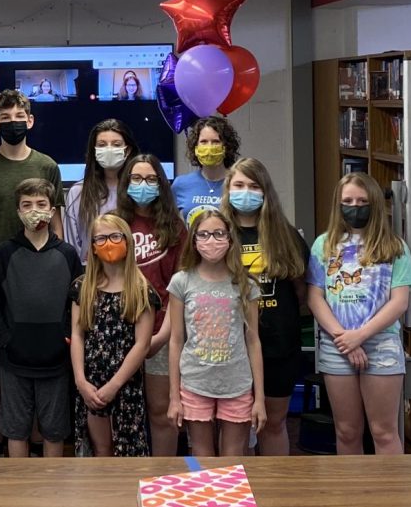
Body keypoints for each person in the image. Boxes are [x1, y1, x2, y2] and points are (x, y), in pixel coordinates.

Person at [0, 88, 64, 457]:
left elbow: (56, 225)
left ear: (31, 121)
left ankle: (37, 441)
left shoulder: (47, 166)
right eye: (5, 119)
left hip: (41, 283)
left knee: (41, 365)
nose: (13, 124)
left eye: (19, 118)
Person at [306, 172, 411, 455]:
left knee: (383, 431)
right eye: (348, 201)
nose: (355, 207)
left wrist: (360, 336)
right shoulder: (324, 245)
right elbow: (315, 297)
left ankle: (391, 498)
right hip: (337, 345)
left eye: (362, 201)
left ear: (375, 203)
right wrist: (344, 338)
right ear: (338, 204)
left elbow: (399, 302)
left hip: (381, 346)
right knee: (346, 430)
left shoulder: (394, 247)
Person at [0, 178, 83, 458]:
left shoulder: (67, 254)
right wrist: (5, 339)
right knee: (16, 429)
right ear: (17, 212)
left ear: (52, 211)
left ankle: (51, 492)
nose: (34, 210)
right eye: (26, 205)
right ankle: (18, 493)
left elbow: (77, 302)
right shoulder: (5, 253)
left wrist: (65, 337)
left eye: (41, 204)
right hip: (14, 359)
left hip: (55, 359)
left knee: (54, 429)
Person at [220, 158, 309, 456]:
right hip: (229, 345)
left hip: (279, 345)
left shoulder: (286, 235)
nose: (246, 192)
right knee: (234, 426)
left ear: (265, 191)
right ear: (228, 189)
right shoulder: (216, 233)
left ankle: (277, 492)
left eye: (253, 186)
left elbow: (300, 291)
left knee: (273, 422)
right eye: (239, 186)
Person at [166, 210, 266, 456]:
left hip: (237, 383)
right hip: (194, 382)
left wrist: (260, 398)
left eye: (219, 233)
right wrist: (174, 397)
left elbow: (253, 340)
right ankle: (203, 495)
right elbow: (176, 340)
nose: (212, 240)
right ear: (194, 240)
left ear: (230, 239)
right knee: (201, 455)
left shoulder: (246, 285)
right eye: (204, 234)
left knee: (233, 457)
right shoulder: (181, 282)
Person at [114, 154, 186, 456]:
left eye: (151, 179)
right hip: (120, 333)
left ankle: (163, 476)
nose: (143, 185)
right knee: (122, 412)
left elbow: (178, 289)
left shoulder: (175, 228)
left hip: (161, 333)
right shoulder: (116, 223)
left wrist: (162, 336)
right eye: (137, 179)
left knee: (160, 411)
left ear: (162, 184)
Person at [70, 213, 156, 457]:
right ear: (93, 248)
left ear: (127, 241)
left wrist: (114, 385)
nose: (108, 243)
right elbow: (77, 334)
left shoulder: (141, 289)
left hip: (125, 384)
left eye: (115, 236)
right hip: (91, 384)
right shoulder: (82, 287)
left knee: (128, 451)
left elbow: (142, 344)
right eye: (101, 238)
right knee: (101, 449)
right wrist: (80, 381)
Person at [64, 119, 139, 263]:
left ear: (127, 150)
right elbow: (72, 247)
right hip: (91, 277)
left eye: (116, 144)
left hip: (134, 274)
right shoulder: (77, 193)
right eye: (102, 145)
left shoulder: (140, 191)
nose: (109, 149)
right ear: (94, 150)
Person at [170, 116, 241, 226]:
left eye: (216, 141)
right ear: (195, 147)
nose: (209, 147)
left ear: (226, 147)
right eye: (203, 141)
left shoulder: (238, 183)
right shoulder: (180, 185)